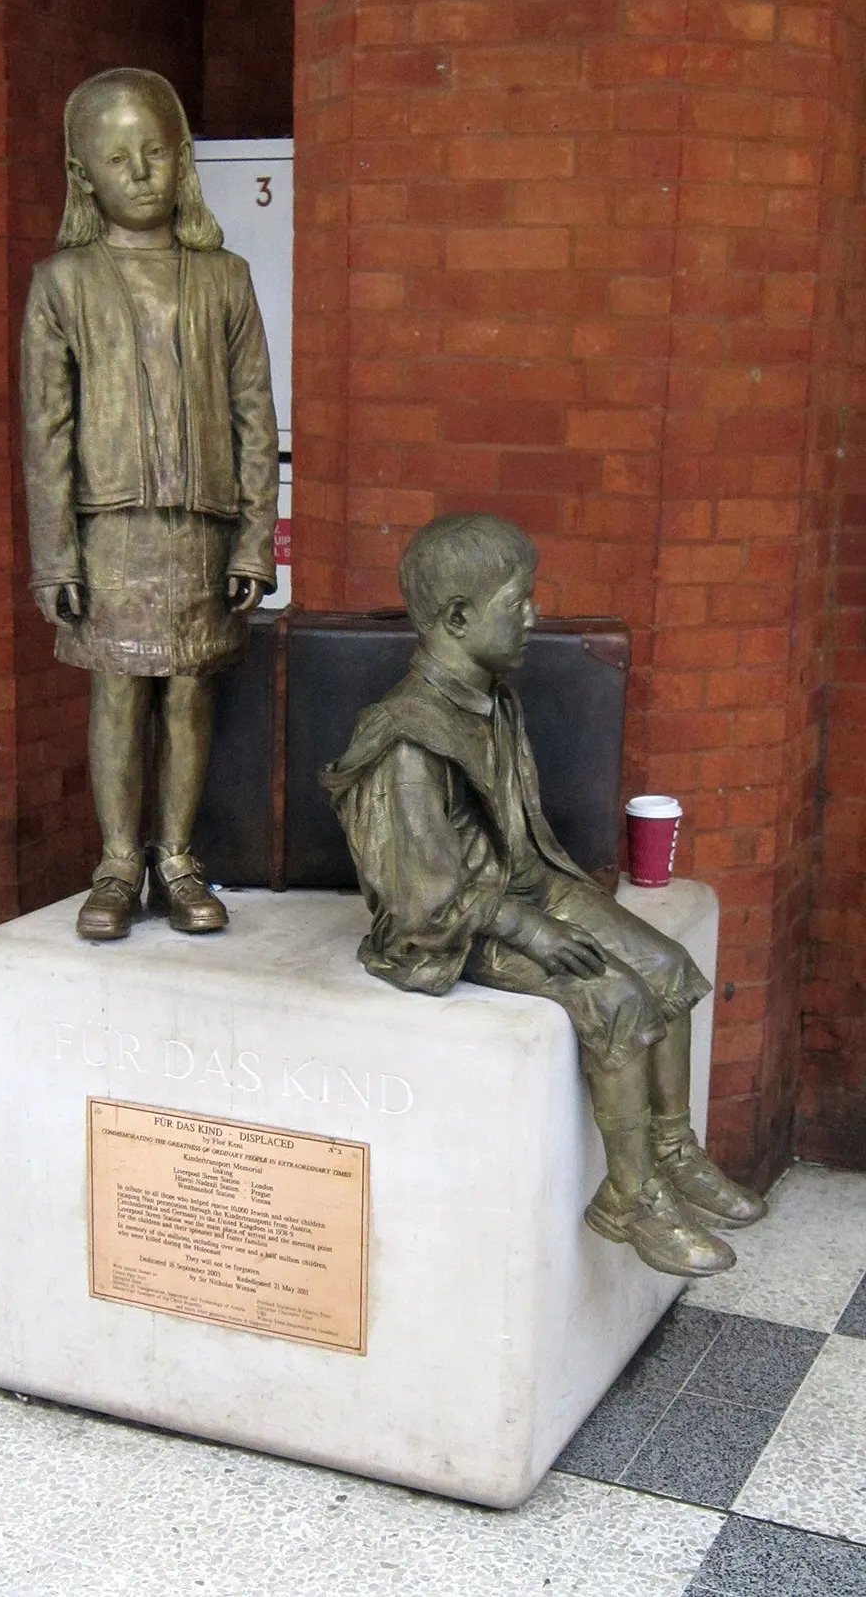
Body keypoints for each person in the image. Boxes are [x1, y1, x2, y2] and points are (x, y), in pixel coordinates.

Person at [321, 513, 765, 1277]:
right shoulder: (405, 739)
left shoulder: (493, 696)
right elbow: (420, 897)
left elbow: (521, 836)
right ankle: (630, 1196)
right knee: (612, 997)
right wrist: (529, 929)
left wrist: (550, 902)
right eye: (518, 600)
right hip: (456, 924)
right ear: (459, 618)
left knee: (667, 969)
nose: (534, 616)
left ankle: (671, 1148)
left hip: (527, 888)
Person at [21, 68, 278, 941]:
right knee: (120, 692)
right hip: (109, 532)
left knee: (189, 694)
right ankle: (117, 862)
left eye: (156, 153)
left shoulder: (226, 279)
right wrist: (55, 556)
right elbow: (46, 433)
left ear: (184, 161)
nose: (140, 172)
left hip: (200, 530)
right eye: (117, 158)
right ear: (82, 173)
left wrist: (254, 541)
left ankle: (178, 858)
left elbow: (255, 418)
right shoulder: (62, 285)